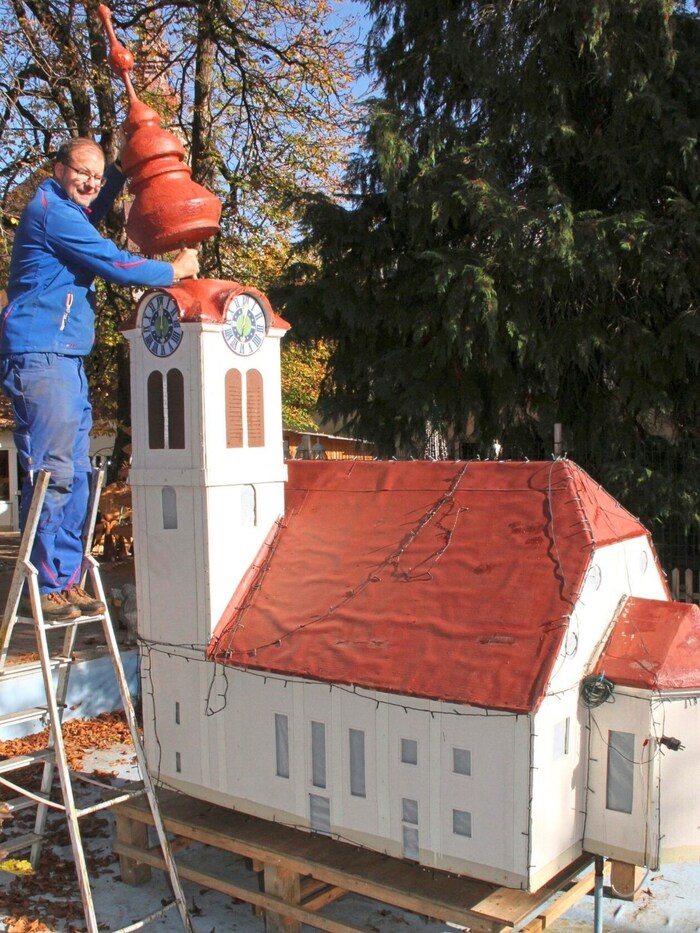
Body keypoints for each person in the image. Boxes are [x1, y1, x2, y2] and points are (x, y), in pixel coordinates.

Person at [0, 137, 199, 621]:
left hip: (65, 357)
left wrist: (124, 166)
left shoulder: (70, 208)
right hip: (40, 354)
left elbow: (96, 201)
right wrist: (172, 270)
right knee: (53, 472)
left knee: (78, 475)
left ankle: (66, 581)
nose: (89, 182)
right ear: (58, 169)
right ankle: (47, 585)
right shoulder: (53, 213)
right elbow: (115, 262)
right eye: (81, 172)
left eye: (96, 174)